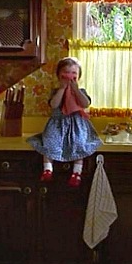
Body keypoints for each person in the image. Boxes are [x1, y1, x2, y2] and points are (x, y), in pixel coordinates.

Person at [26, 57, 103, 187]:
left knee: (80, 144)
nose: (70, 77)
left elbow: (86, 103)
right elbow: (54, 105)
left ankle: (76, 173)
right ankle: (47, 169)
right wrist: (62, 89)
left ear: (78, 77)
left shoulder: (81, 91)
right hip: (57, 125)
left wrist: (76, 90)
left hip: (77, 125)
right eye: (66, 74)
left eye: (74, 74)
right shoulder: (56, 91)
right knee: (49, 142)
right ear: (59, 76)